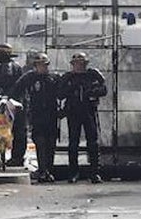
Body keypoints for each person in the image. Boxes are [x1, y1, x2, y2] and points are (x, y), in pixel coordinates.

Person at [11, 52, 62, 182]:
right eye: (39, 65)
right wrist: (18, 104)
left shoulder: (54, 78)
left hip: (51, 114)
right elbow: (16, 90)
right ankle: (42, 169)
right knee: (40, 143)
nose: (41, 68)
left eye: (44, 65)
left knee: (51, 143)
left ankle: (49, 170)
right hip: (36, 114)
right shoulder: (30, 78)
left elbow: (62, 93)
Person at [59, 51, 108, 182]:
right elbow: (60, 94)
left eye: (81, 64)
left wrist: (91, 92)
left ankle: (94, 172)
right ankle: (73, 172)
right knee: (73, 143)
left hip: (89, 110)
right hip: (73, 111)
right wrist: (71, 89)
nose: (78, 66)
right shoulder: (68, 77)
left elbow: (104, 89)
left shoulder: (92, 75)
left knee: (93, 142)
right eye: (76, 64)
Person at [0, 44, 27, 166]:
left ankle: (17, 157)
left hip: (13, 103)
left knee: (18, 131)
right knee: (2, 131)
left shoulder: (14, 67)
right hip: (3, 103)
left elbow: (16, 86)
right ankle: (3, 156)